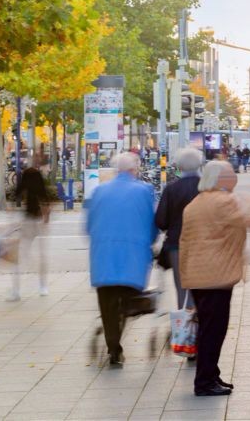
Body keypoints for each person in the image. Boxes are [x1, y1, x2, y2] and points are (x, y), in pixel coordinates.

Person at [180, 161, 250, 396]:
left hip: (198, 275)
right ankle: (205, 381)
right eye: (230, 174)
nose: (234, 178)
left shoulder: (195, 204)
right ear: (219, 179)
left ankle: (211, 374)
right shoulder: (222, 201)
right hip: (215, 275)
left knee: (208, 328)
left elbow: (185, 242)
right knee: (214, 331)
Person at [86, 153, 156, 367]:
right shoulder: (144, 191)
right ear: (134, 170)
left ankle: (113, 348)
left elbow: (88, 226)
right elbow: (152, 226)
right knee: (127, 299)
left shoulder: (98, 191)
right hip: (132, 257)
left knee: (107, 305)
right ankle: (118, 331)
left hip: (103, 257)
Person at [155, 148, 203, 309]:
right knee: (204, 284)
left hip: (177, 245)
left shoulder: (171, 189)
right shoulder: (207, 187)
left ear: (179, 167)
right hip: (204, 244)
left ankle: (185, 326)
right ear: (200, 164)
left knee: (182, 287)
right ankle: (202, 320)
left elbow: (161, 221)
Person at [11, 156, 50, 300]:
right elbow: (45, 198)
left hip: (28, 220)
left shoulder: (26, 176)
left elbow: (16, 195)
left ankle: (16, 291)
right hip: (38, 219)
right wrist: (46, 218)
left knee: (20, 255)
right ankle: (43, 287)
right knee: (42, 255)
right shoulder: (38, 177)